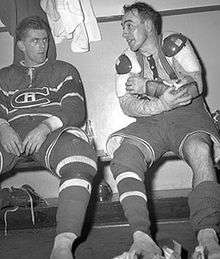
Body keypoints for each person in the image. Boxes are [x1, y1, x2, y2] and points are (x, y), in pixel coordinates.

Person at [106, 2, 220, 259]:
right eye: (123, 27)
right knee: (125, 156)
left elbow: (194, 87)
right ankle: (141, 239)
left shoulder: (175, 43)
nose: (124, 32)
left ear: (148, 24)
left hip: (187, 116)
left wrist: (150, 87)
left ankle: (207, 235)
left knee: (200, 150)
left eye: (129, 25)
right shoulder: (126, 61)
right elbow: (127, 105)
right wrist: (160, 102)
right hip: (153, 118)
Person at [0, 16, 97, 259]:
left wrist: (45, 126)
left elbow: (75, 110)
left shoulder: (64, 70)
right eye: (35, 41)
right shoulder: (3, 76)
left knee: (80, 156)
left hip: (51, 133)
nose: (42, 46)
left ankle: (63, 245)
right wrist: (2, 126)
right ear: (20, 44)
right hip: (10, 133)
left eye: (45, 40)